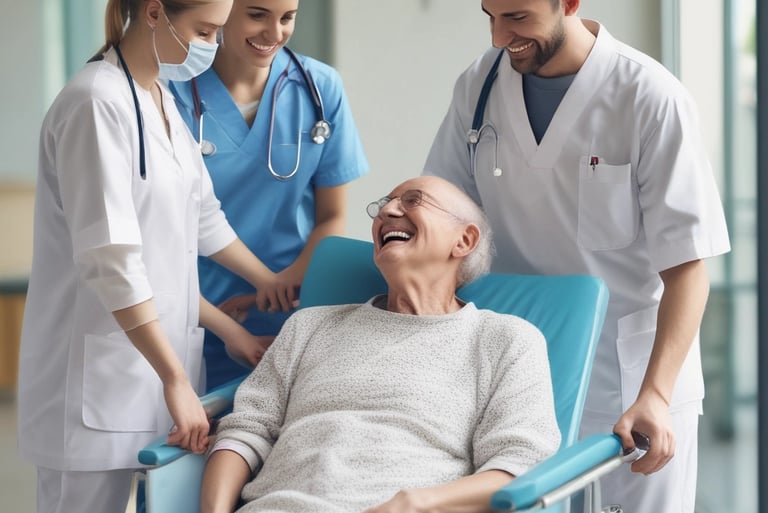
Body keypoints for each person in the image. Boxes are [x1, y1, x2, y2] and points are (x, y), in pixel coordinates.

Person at [422, 1, 731, 512]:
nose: (500, 37)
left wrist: (654, 393)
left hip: (627, 377)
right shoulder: (479, 84)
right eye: (490, 16)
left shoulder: (649, 95)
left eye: (517, 17)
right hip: (516, 369)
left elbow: (689, 266)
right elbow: (446, 212)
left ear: (568, 3)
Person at [16, 1, 293, 512]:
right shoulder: (96, 102)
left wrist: (265, 288)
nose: (211, 44)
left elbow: (200, 222)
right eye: (204, 30)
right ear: (153, 12)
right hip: (93, 380)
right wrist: (175, 379)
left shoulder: (158, 98)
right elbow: (112, 262)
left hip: (149, 370)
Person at [199, 175, 561, 513]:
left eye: (413, 201)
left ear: (463, 240)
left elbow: (518, 464)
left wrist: (413, 503)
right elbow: (245, 433)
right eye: (384, 204)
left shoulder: (504, 341)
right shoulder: (309, 326)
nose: (387, 211)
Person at [168, 0, 369, 391]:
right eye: (257, 15)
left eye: (287, 18)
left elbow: (331, 216)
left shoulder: (320, 87)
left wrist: (283, 284)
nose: (274, 34)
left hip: (291, 311)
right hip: (193, 309)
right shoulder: (169, 92)